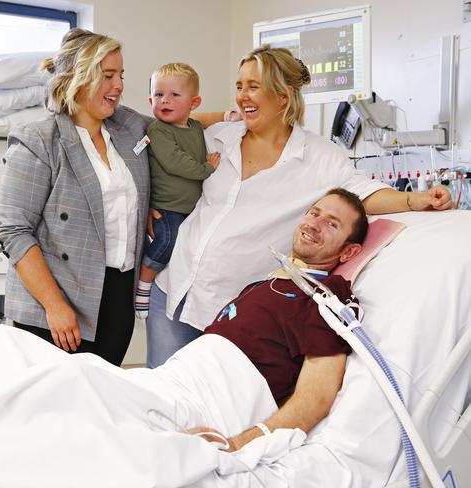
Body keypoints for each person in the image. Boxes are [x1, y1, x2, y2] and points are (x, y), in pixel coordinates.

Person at [146, 44, 452, 368]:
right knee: (158, 400)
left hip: (230, 309)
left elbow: (363, 192)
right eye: (239, 86)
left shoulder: (318, 157)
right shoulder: (219, 137)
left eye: (253, 87)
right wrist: (154, 205)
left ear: (283, 96)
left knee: (213, 409)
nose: (242, 96)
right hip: (172, 290)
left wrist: (413, 199)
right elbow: (175, 129)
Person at [0, 28, 151, 366]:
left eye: (120, 75)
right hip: (55, 303)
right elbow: (14, 231)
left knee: (97, 403)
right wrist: (54, 304)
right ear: (79, 79)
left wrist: (233, 120)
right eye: (108, 75)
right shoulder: (39, 140)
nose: (120, 85)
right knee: (50, 409)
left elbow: (180, 126)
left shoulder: (128, 128)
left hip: (116, 296)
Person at [189, 188, 367, 451]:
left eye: (331, 224)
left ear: (349, 252)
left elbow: (316, 397)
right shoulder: (266, 284)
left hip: (209, 403)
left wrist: (238, 444)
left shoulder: (326, 296)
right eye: (314, 213)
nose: (314, 224)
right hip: (182, 376)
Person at [135, 63, 220, 319]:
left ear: (194, 103)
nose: (165, 100)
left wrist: (230, 116)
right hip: (167, 206)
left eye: (174, 95)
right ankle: (143, 284)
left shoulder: (194, 127)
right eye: (159, 95)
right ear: (150, 99)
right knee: (167, 242)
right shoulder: (157, 130)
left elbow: (207, 122)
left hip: (191, 207)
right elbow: (174, 162)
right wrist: (206, 169)